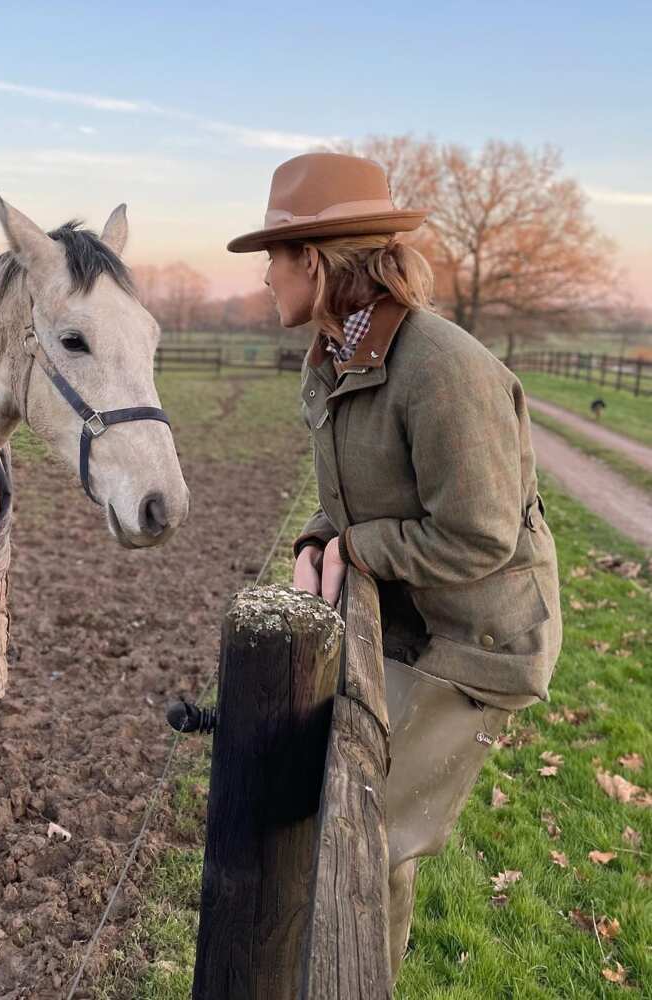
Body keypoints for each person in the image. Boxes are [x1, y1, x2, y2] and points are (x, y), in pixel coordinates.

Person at [227, 152, 563, 984]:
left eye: (272, 256)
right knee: (361, 827)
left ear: (313, 260)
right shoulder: (334, 357)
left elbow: (479, 535)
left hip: (477, 641)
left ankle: (350, 977)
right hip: (407, 623)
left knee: (358, 837)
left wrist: (356, 550)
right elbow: (354, 494)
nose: (265, 277)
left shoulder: (442, 368)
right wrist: (317, 537)